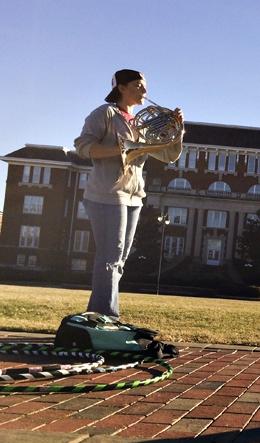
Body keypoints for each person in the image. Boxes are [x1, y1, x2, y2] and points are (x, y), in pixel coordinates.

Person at [74, 69, 184, 320]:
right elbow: (83, 147)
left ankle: (97, 316)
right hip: (106, 195)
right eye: (138, 85)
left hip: (134, 196)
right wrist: (119, 150)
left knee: (118, 260)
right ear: (121, 88)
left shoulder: (140, 124)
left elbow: (167, 155)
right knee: (110, 258)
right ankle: (108, 316)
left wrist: (178, 128)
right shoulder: (105, 114)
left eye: (145, 86)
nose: (145, 91)